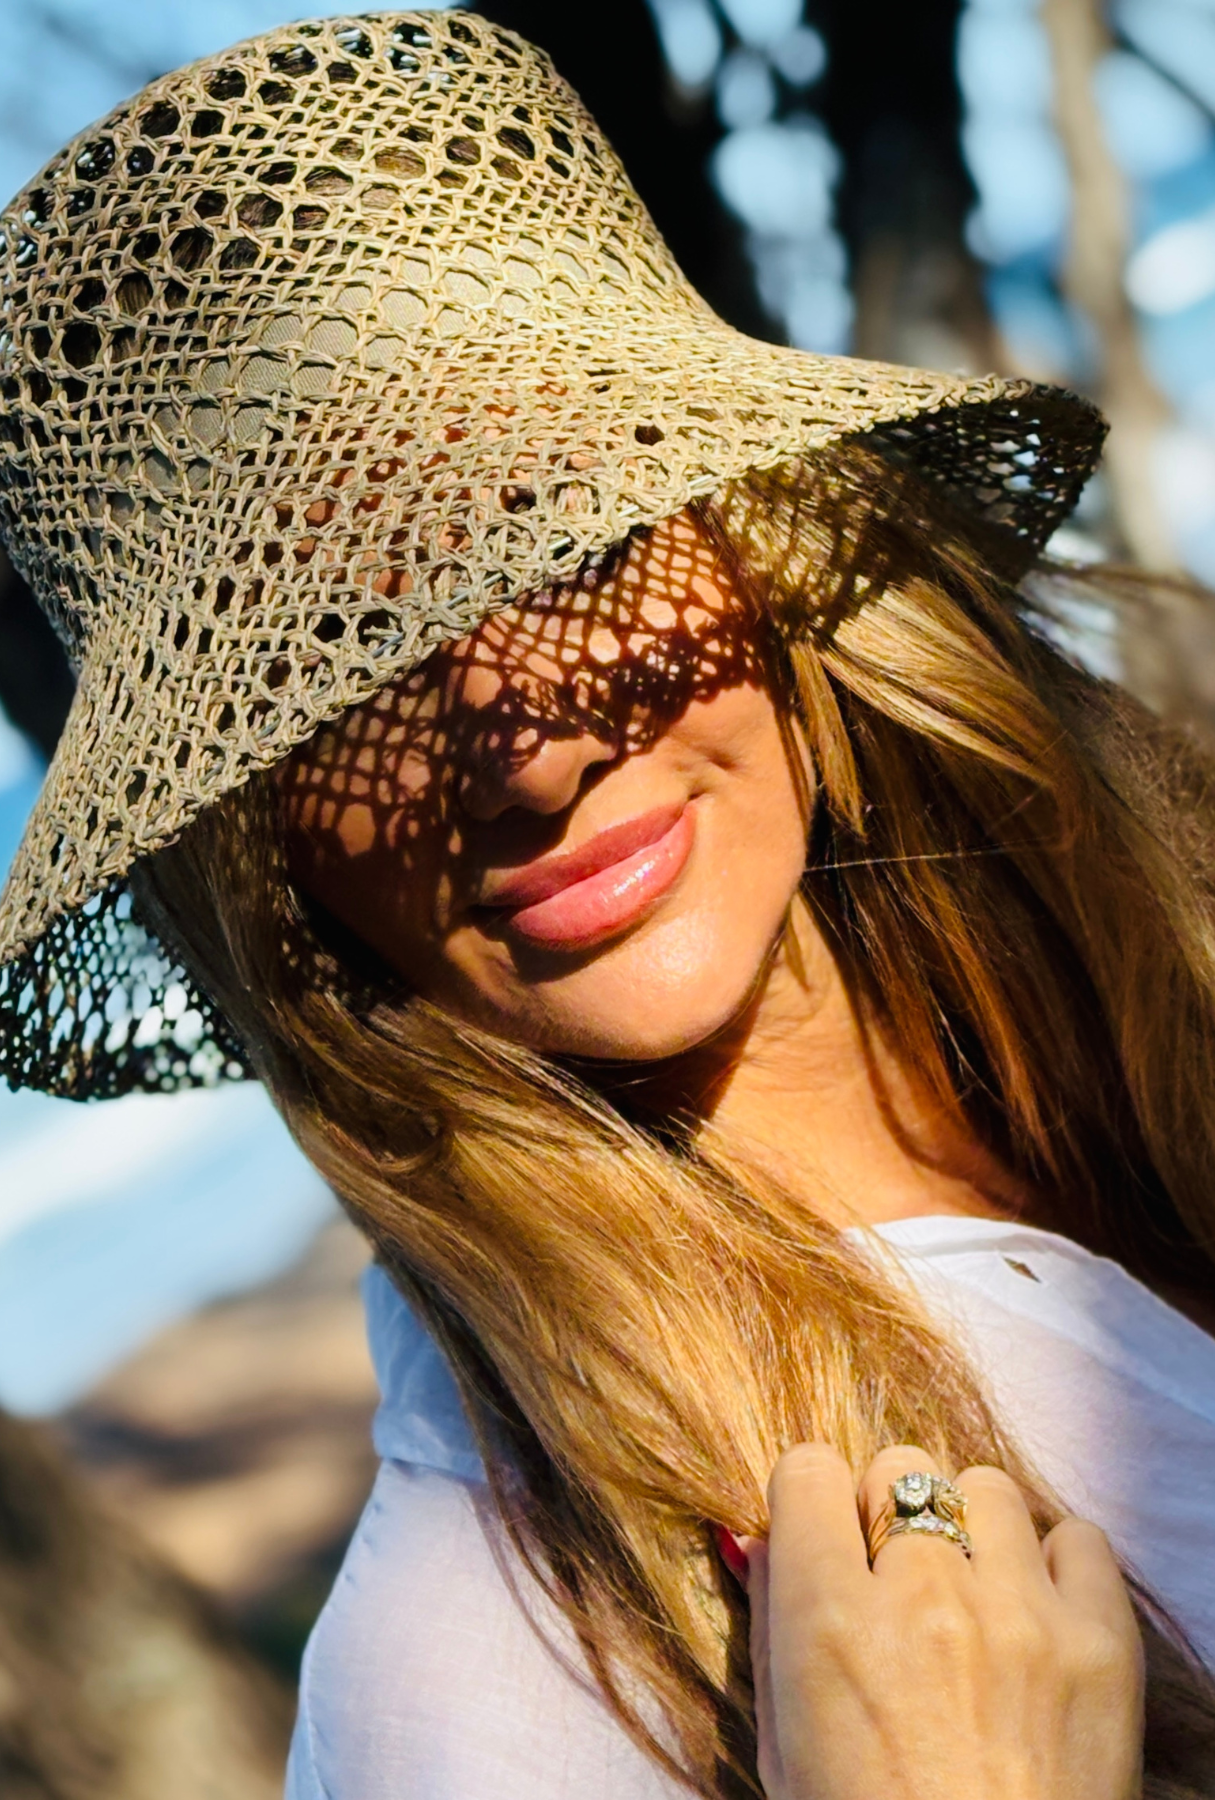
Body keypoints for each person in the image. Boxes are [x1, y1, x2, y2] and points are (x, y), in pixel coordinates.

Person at [0, 12, 1211, 1797]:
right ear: (250, 847)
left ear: (740, 527)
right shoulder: (475, 1710)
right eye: (343, 657)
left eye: (563, 535)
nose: (526, 746)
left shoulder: (1166, 937)